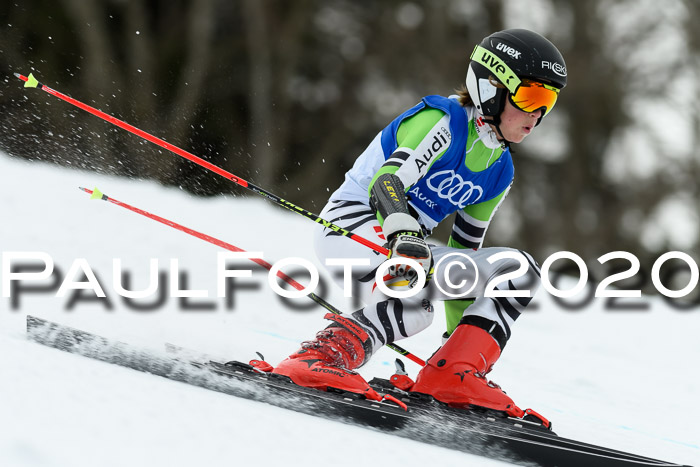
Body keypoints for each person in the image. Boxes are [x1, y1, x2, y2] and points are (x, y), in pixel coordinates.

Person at [272, 29, 566, 418]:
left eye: (548, 101)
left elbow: (466, 254)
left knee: (516, 270)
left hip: (408, 249)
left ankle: (453, 376)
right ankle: (317, 358)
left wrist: (453, 342)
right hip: (351, 224)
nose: (538, 115)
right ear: (492, 87)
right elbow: (386, 183)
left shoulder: (500, 169)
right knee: (416, 300)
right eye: (531, 97)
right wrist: (406, 233)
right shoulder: (442, 122)